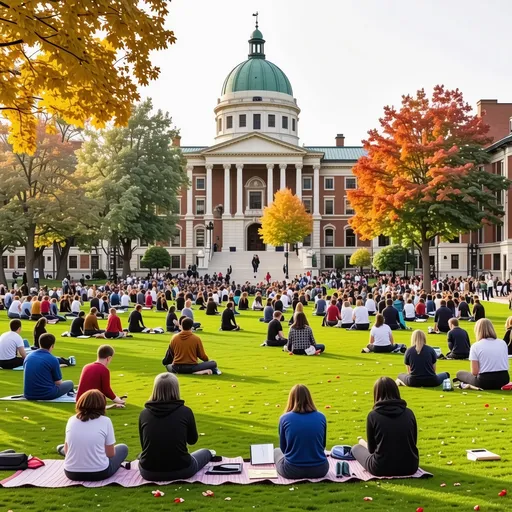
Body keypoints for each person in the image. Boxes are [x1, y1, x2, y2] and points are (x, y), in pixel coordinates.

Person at [138, 373, 214, 481]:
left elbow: (144, 445)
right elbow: (192, 440)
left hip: (149, 471)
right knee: (206, 452)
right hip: (182, 469)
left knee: (142, 455)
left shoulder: (144, 414)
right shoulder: (185, 411)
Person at [351, 377, 419, 477]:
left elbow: (371, 450)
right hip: (410, 466)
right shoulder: (409, 413)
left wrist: (362, 443)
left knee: (356, 448)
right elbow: (413, 441)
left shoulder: (373, 416)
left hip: (381, 467)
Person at [59, 389, 128, 481]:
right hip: (99, 472)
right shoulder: (105, 421)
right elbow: (110, 453)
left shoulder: (71, 420)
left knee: (61, 447)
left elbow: (67, 451)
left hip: (71, 473)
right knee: (123, 448)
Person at [274, 384, 329, 479]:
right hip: (320, 469)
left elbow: (284, 449)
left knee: (276, 451)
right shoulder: (321, 417)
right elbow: (322, 445)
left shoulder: (284, 418)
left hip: (292, 470)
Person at [455, 318, 510, 390]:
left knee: (459, 374)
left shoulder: (476, 346)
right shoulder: (502, 343)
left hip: (484, 381)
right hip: (503, 379)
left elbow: (474, 372)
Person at [23, 333, 74, 400]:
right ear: (52, 346)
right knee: (70, 383)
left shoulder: (28, 357)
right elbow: (58, 382)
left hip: (28, 394)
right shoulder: (52, 359)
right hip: (47, 394)